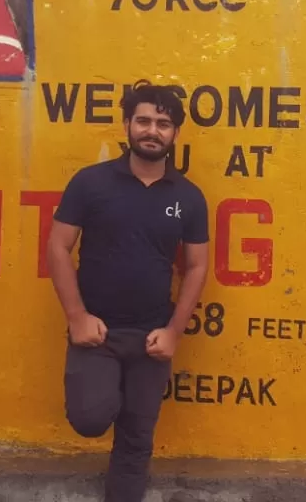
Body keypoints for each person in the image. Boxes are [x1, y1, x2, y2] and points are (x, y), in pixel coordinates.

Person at [45, 79, 210, 502]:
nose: (152, 130)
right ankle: (107, 385)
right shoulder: (90, 183)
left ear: (175, 133)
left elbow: (195, 266)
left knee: (136, 440)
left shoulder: (189, 198)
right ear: (126, 126)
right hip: (96, 333)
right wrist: (77, 317)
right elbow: (58, 247)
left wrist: (174, 330)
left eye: (163, 123)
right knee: (90, 417)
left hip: (152, 337)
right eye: (144, 121)